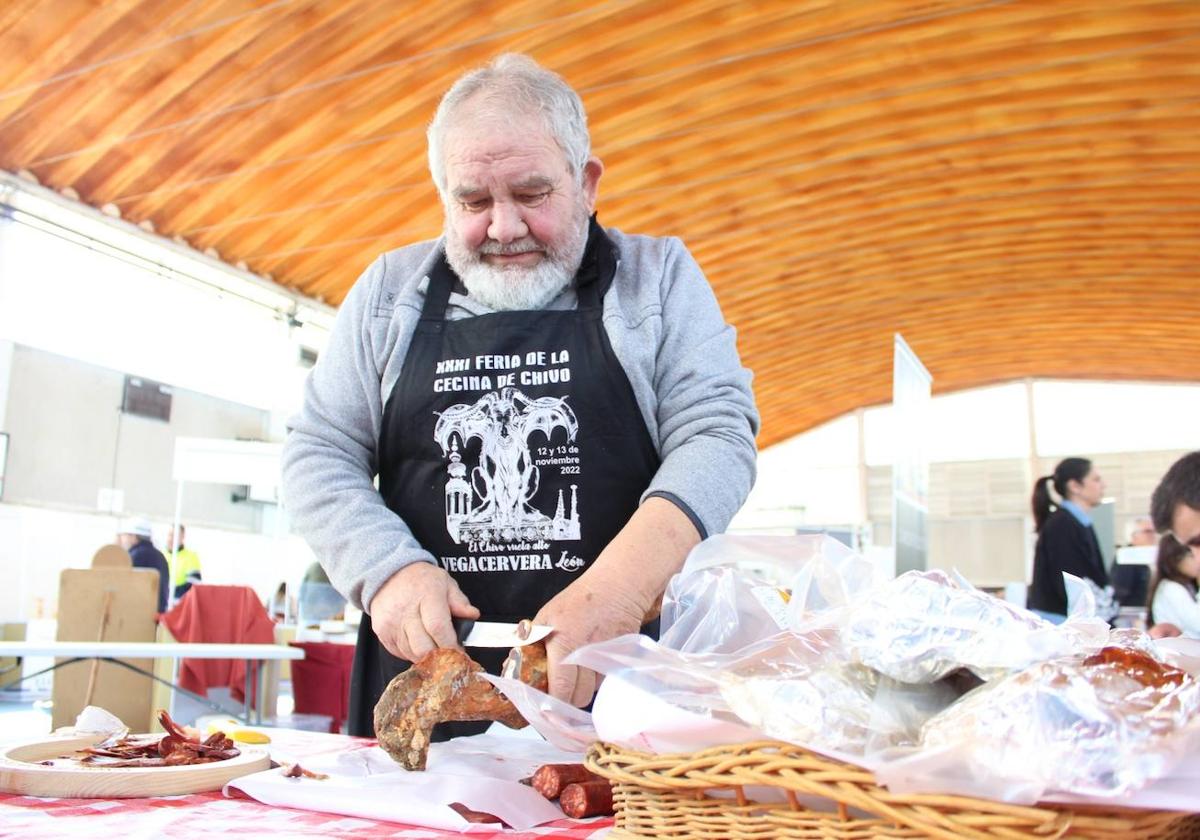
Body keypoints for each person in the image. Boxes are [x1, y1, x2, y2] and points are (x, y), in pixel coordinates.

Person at [281, 54, 759, 738]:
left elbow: (717, 435)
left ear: (586, 183)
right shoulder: (389, 294)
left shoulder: (656, 280)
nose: (503, 228)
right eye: (473, 201)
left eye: (532, 194)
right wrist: (386, 572)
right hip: (426, 692)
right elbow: (318, 452)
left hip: (622, 691)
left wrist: (617, 593)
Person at [1026, 457, 1113, 620]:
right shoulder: (1062, 525)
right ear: (1074, 486)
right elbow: (1070, 582)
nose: (1103, 485)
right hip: (1062, 623)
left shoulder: (1077, 522)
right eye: (1096, 479)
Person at [1145, 535, 1200, 638]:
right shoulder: (1172, 588)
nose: (1198, 561)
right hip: (1178, 649)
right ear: (1176, 560)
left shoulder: (1184, 585)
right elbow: (1198, 624)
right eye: (1192, 556)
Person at [117, 518, 169, 613]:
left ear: (134, 537)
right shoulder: (161, 556)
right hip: (157, 613)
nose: (123, 540)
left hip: (138, 614)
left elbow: (124, 588)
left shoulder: (133, 556)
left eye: (125, 535)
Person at [166, 523, 202, 602]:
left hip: (180, 604)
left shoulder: (191, 557)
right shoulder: (161, 555)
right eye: (169, 535)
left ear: (182, 537)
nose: (171, 539)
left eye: (175, 536)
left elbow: (193, 585)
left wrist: (169, 593)